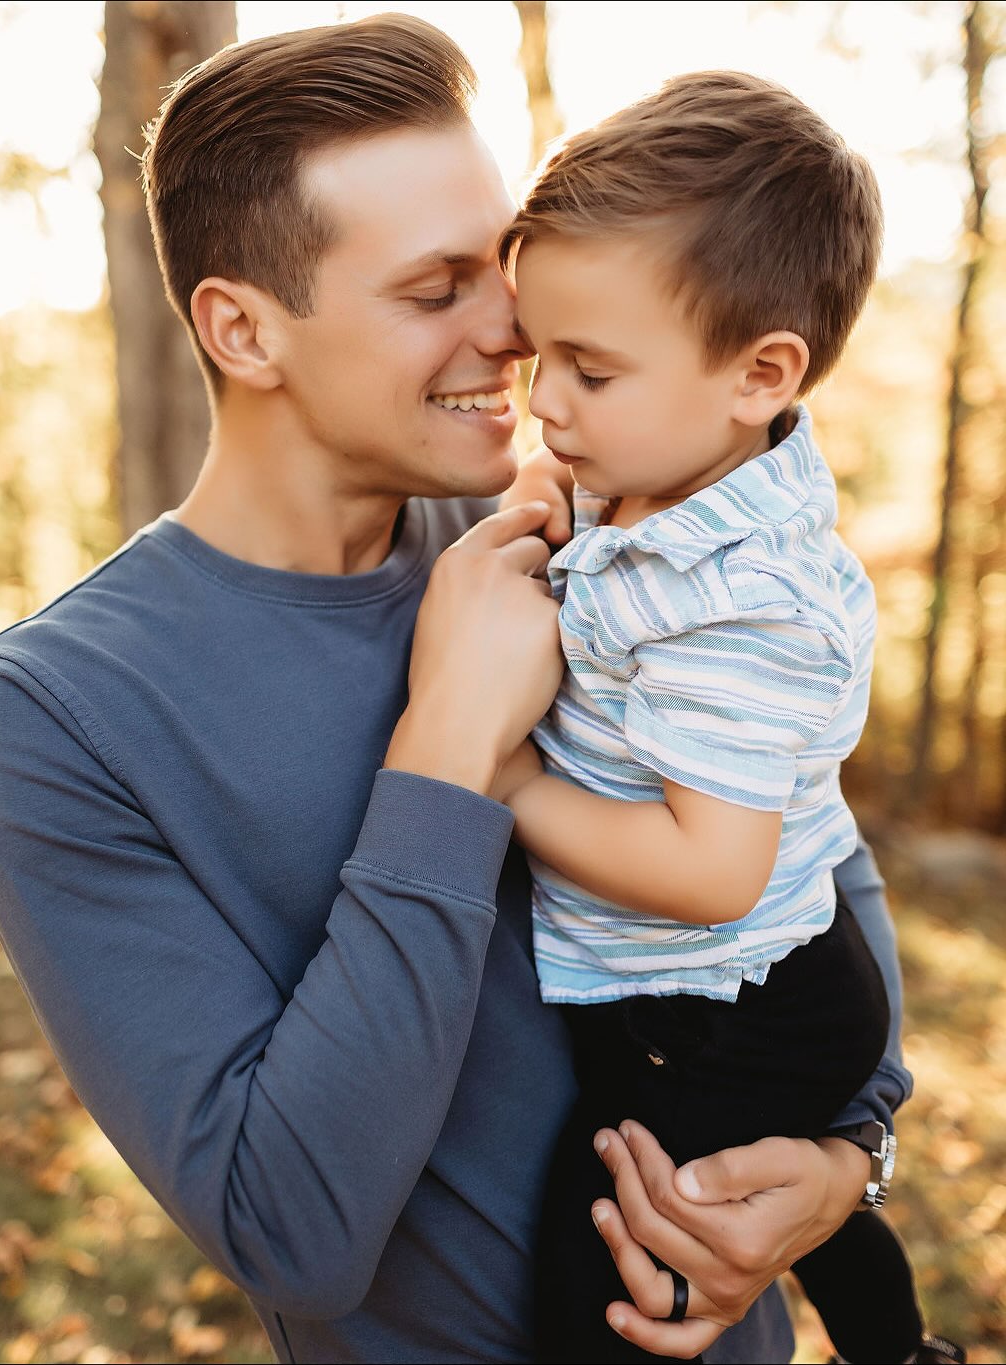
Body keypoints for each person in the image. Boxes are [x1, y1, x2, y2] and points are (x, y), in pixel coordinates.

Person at [0, 18, 910, 1364]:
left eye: (502, 270)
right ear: (242, 328)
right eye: (437, 291)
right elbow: (294, 1232)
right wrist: (450, 747)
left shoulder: (594, 538)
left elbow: (805, 874)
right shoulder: (53, 717)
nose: (516, 333)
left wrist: (844, 1168)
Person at [494, 72, 962, 1365]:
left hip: (749, 992)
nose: (547, 403)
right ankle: (902, 1351)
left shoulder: (736, 607)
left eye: (589, 369)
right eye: (542, 359)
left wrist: (507, 780)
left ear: (760, 374)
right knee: (770, 1198)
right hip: (715, 975)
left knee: (613, 1238)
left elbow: (714, 868)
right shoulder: (662, 473)